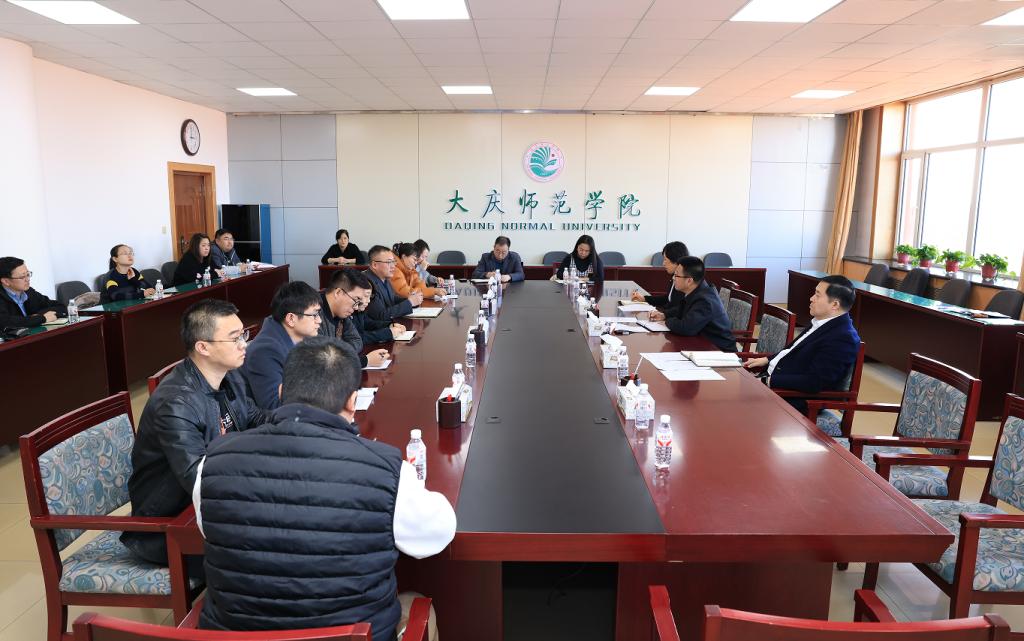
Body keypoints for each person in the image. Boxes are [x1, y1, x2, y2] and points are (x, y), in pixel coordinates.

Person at [192, 338, 455, 637]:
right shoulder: (387, 469)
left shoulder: (212, 461)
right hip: (352, 633)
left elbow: (208, 527)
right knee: (418, 603)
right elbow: (438, 534)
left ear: (281, 392)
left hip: (237, 634)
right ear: (352, 401)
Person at [123, 299, 265, 567]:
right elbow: (198, 478)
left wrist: (302, 422)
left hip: (211, 504)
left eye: (243, 335)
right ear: (203, 347)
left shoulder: (229, 375)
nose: (244, 344)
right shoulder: (176, 403)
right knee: (272, 551)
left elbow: (256, 418)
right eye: (234, 338)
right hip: (170, 525)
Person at [743, 275, 861, 413]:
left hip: (790, 400)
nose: (811, 298)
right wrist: (767, 359)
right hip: (771, 382)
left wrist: (768, 381)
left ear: (834, 305)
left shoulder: (843, 337)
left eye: (817, 295)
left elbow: (814, 381)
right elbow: (792, 350)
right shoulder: (822, 322)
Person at [241, 282, 322, 410]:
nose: (319, 320)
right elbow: (274, 406)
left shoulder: (302, 337)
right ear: (291, 319)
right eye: (314, 315)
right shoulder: (265, 351)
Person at [651, 256, 736, 352]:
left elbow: (686, 328)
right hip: (703, 346)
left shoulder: (705, 300)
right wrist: (664, 315)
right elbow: (682, 309)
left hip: (720, 353)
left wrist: (667, 321)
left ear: (689, 281)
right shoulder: (698, 290)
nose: (673, 278)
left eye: (676, 275)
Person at [318, 267, 391, 368]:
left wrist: (337, 354)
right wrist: (365, 361)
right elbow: (323, 361)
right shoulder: (313, 314)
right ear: (338, 293)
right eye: (356, 299)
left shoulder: (341, 312)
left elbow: (356, 340)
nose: (356, 307)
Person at [0, 256, 65, 328]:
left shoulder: (29, 292)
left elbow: (61, 306)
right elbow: (5, 322)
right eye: (22, 277)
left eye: (28, 274)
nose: (27, 279)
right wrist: (41, 318)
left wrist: (38, 316)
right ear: (6, 281)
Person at [365, 245, 422, 323]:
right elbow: (380, 315)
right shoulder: (366, 283)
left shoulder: (384, 277)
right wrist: (409, 303)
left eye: (393, 262)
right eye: (389, 262)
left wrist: (411, 300)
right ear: (375, 265)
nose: (393, 266)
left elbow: (392, 299)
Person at [631, 241, 689, 309]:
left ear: (675, 260)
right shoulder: (674, 276)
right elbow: (668, 298)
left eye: (665, 259)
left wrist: (661, 312)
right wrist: (644, 298)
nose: (663, 264)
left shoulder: (683, 280)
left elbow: (677, 308)